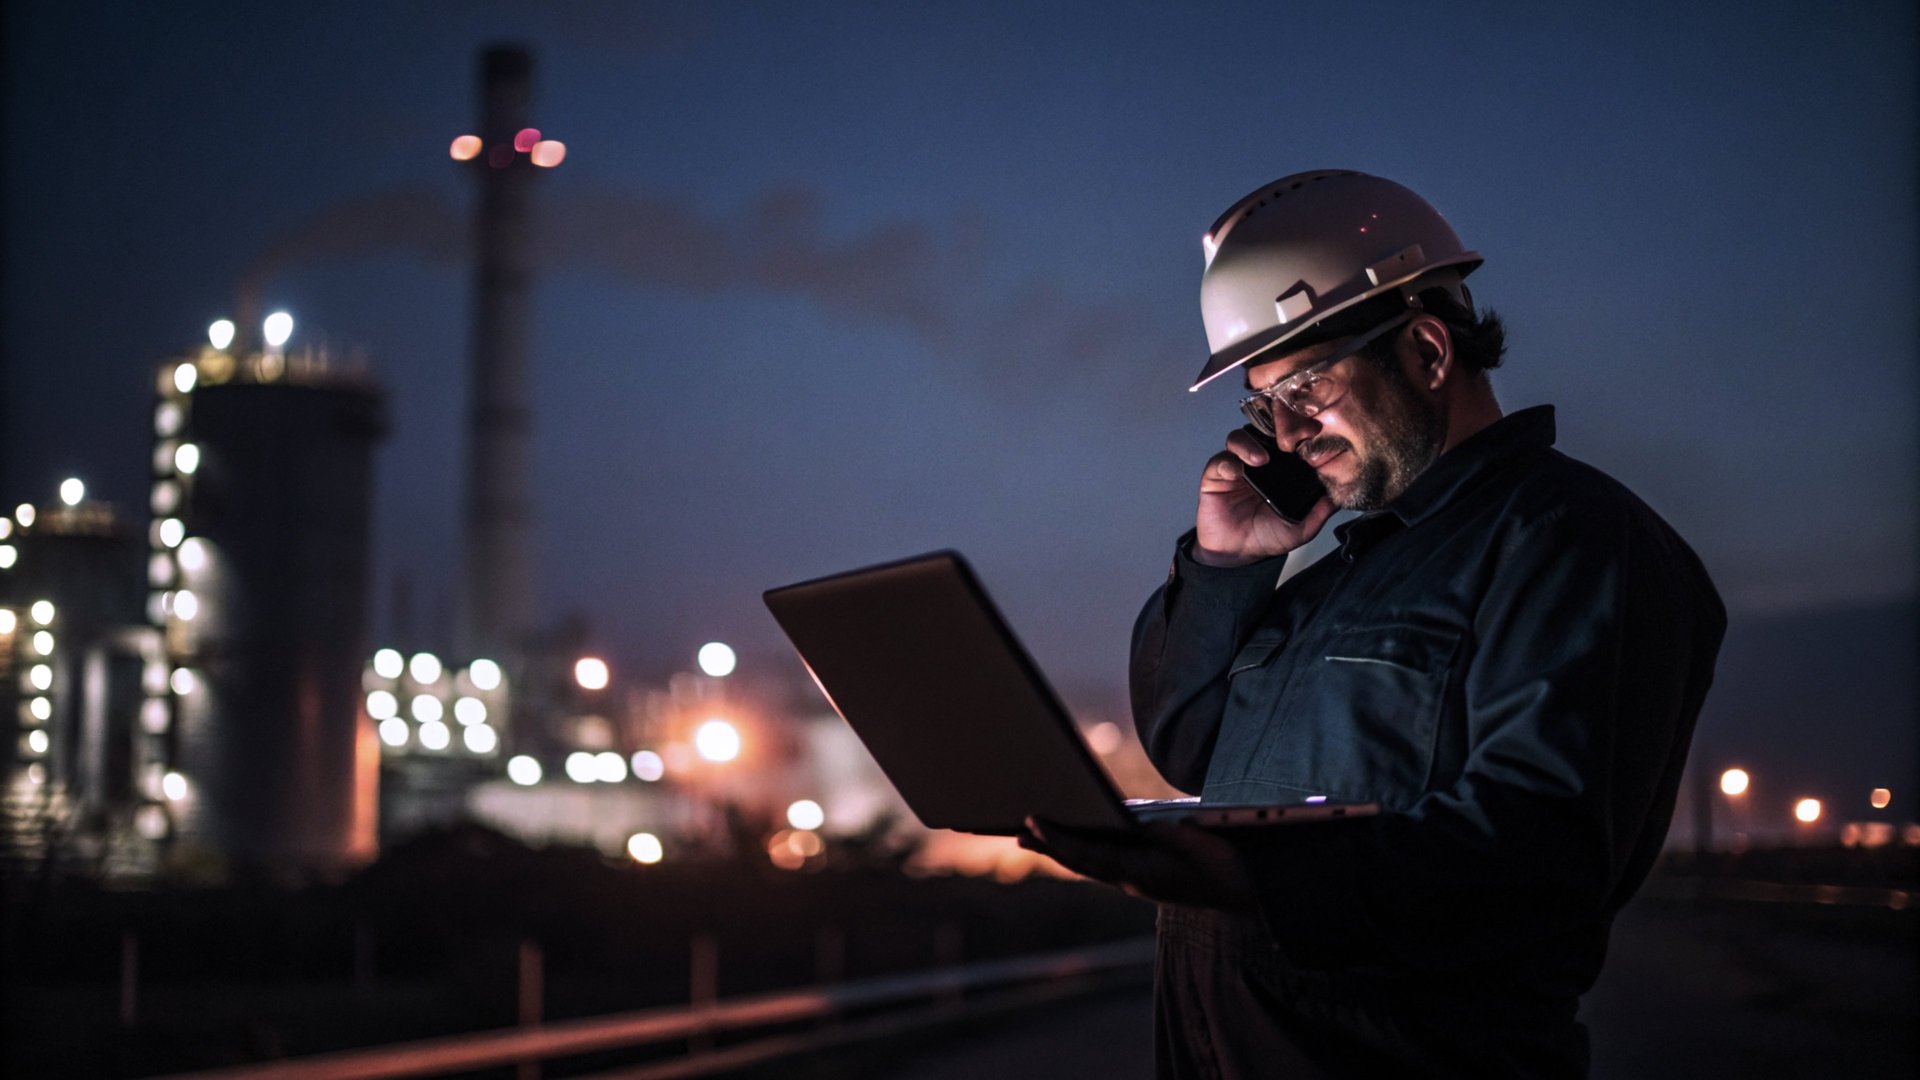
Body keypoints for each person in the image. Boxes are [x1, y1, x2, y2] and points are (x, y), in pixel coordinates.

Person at [1020, 170, 1726, 1078]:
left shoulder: (1576, 541)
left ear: (1427, 351)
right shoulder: (1336, 575)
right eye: (1263, 404)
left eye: (1306, 387)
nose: (1285, 433)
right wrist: (1226, 569)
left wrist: (1252, 876)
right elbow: (1188, 746)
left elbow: (1539, 851)